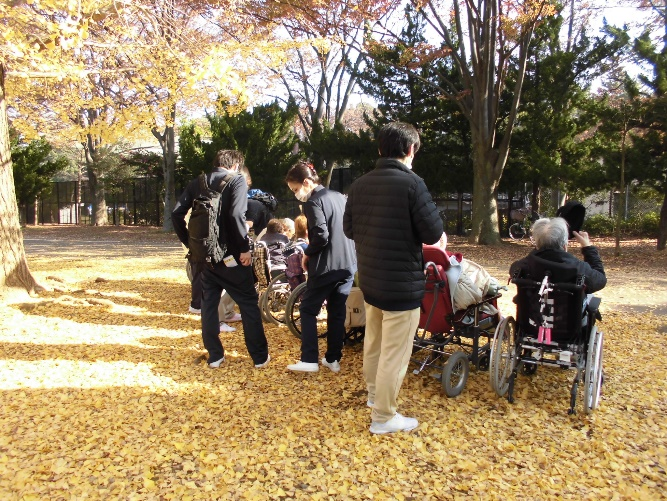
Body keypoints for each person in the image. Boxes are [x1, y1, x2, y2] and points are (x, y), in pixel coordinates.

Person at [343, 122, 443, 435]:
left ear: (379, 149)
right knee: (395, 354)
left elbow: (349, 229)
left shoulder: (360, 184)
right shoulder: (413, 184)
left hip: (371, 279)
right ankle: (384, 417)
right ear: (410, 150)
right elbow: (432, 232)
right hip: (402, 285)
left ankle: (375, 398)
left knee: (374, 343)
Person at [172, 150, 270, 369]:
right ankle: (259, 357)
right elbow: (236, 215)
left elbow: (176, 214)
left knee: (208, 306)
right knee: (248, 304)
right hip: (230, 256)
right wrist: (244, 248)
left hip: (203, 256)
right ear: (235, 166)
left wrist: (189, 242)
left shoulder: (198, 182)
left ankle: (215, 356)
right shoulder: (236, 181)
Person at [284, 161, 357, 373]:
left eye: (296, 189)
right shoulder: (338, 197)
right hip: (348, 264)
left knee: (307, 309)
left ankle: (309, 359)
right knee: (336, 312)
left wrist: (307, 252)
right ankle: (333, 358)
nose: (297, 194)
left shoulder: (313, 201)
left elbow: (321, 236)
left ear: (306, 182)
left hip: (326, 265)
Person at [509, 217, 606, 293]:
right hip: (569, 317)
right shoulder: (579, 268)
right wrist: (587, 247)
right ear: (564, 246)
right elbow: (600, 279)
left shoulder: (524, 266)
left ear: (537, 244)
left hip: (532, 317)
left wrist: (540, 246)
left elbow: (514, 268)